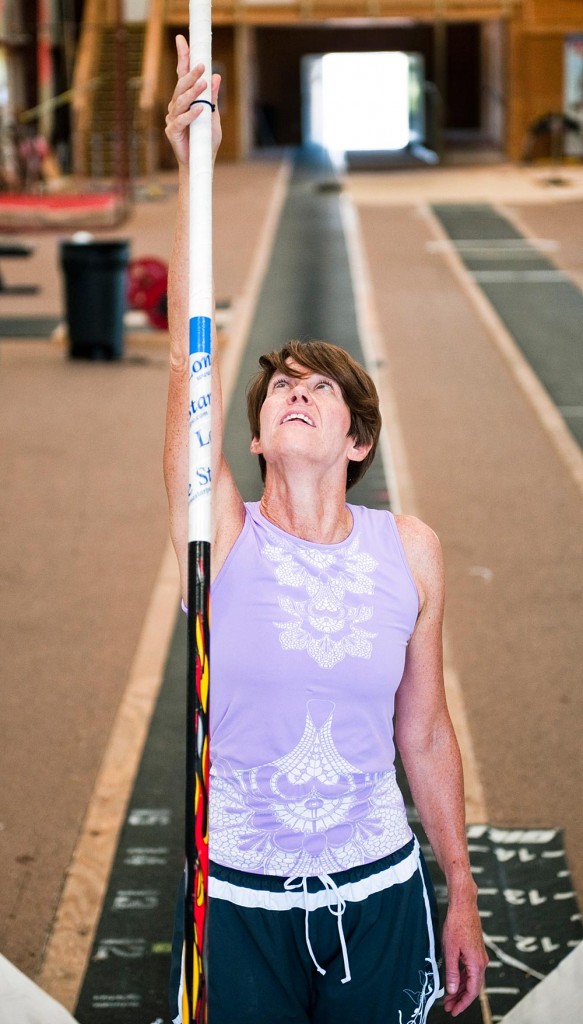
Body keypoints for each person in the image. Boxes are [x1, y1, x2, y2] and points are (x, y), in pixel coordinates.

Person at [164, 35, 488, 1024]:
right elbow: (186, 368)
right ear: (256, 437)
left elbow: (422, 729)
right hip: (239, 903)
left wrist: (460, 886)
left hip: (379, 893)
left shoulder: (411, 549)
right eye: (280, 390)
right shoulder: (222, 534)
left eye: (321, 389)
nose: (296, 393)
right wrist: (191, 172)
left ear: (357, 440)